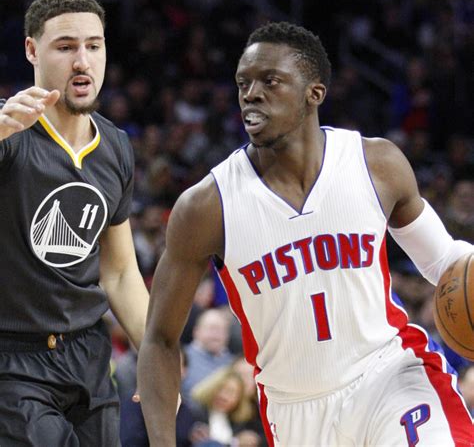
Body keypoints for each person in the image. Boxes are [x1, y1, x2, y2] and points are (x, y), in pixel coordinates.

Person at [137, 22, 473, 446]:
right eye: (243, 83)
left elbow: (445, 262)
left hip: (389, 377)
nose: (251, 94)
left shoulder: (376, 164)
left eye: (270, 81)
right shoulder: (206, 206)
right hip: (295, 411)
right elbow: (160, 339)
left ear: (314, 93)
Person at [0, 0, 149, 446]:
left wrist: (158, 355)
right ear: (32, 50)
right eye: (65, 47)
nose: (82, 61)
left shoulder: (115, 146)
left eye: (93, 46)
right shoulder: (7, 132)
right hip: (14, 360)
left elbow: (120, 273)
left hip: (88, 354)